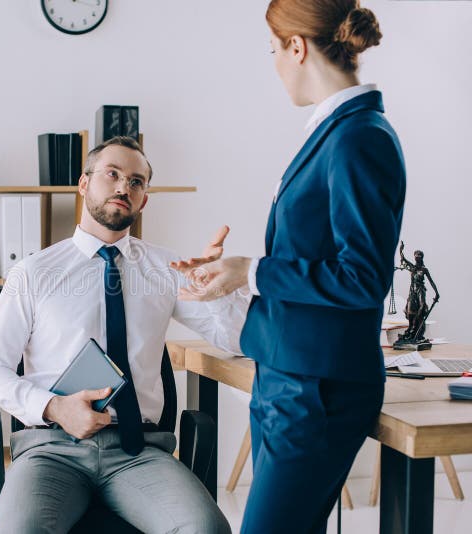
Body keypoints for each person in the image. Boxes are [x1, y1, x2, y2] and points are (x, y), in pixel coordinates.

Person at [172, 1, 406, 532]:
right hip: (288, 374)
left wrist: (251, 270)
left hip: (316, 387)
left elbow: (362, 279)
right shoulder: (334, 129)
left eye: (273, 49)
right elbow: (315, 260)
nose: (274, 62)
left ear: (297, 47)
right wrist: (234, 277)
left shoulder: (358, 137)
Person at [0, 136, 248, 534]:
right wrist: (54, 407)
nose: (124, 187)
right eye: (112, 174)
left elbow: (236, 341)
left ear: (143, 201)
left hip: (138, 451)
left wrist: (219, 290)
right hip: (53, 449)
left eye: (136, 182)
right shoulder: (33, 274)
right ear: (84, 184)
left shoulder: (167, 269)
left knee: (206, 529)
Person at [398, 242, 439, 342]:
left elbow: (431, 282)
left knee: (422, 306)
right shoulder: (412, 268)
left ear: (421, 257)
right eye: (416, 255)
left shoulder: (424, 269)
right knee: (410, 311)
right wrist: (401, 250)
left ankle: (417, 326)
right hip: (412, 291)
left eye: (419, 255)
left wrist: (437, 293)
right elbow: (403, 259)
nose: (417, 257)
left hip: (420, 290)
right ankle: (411, 329)